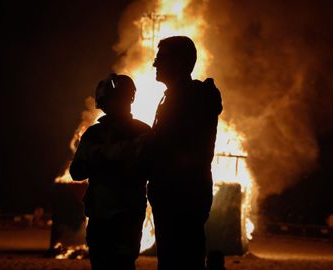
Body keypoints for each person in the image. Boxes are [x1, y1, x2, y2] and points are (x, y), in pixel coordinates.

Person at [147, 36, 223, 270]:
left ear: (179, 62)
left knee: (180, 260)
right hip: (176, 192)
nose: (154, 64)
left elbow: (174, 148)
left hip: (180, 194)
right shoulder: (179, 97)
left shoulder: (191, 99)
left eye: (160, 58)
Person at [69, 74, 151, 270]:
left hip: (124, 217)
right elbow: (77, 171)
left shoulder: (141, 132)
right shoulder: (96, 134)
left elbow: (151, 169)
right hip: (105, 216)